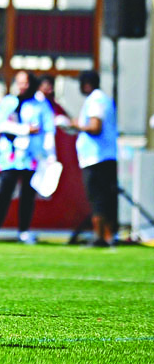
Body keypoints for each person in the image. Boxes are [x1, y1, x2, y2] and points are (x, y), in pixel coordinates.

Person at [0, 71, 56, 244]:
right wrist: (24, 129)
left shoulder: (40, 105)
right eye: (20, 82)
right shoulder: (9, 102)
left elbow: (49, 129)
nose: (23, 86)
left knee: (28, 195)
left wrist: (50, 155)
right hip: (10, 157)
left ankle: (24, 231)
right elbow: (0, 125)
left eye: (26, 83)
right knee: (4, 192)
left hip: (31, 157)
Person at [71, 70, 118, 247]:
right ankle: (108, 236)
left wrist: (77, 125)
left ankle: (101, 237)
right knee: (106, 197)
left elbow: (95, 127)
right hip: (104, 156)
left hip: (96, 158)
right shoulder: (104, 98)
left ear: (86, 84)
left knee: (97, 198)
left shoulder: (96, 100)